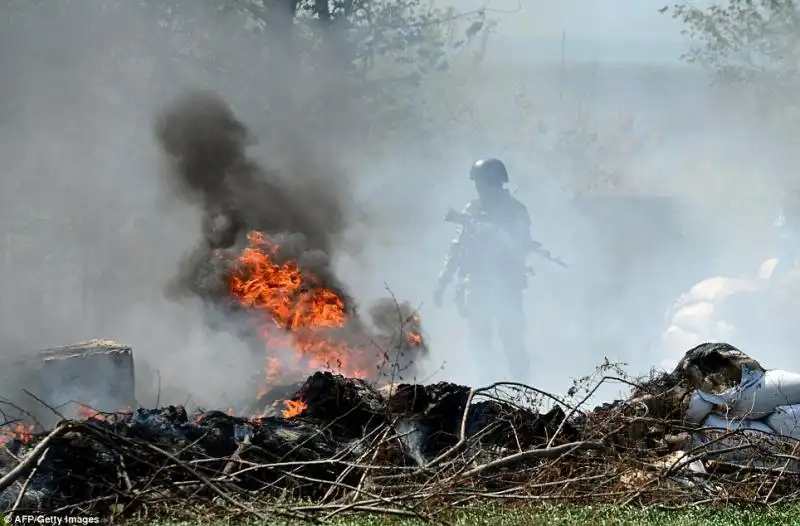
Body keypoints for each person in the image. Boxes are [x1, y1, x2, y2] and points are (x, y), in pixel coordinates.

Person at [433, 158, 534, 379]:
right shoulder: (472, 209)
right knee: (480, 342)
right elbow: (457, 248)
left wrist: (497, 237)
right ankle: (487, 389)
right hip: (476, 285)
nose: (477, 187)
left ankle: (523, 394)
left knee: (512, 341)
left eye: (480, 182)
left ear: (492, 182)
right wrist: (443, 281)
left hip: (506, 285)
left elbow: (522, 246)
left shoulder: (515, 211)